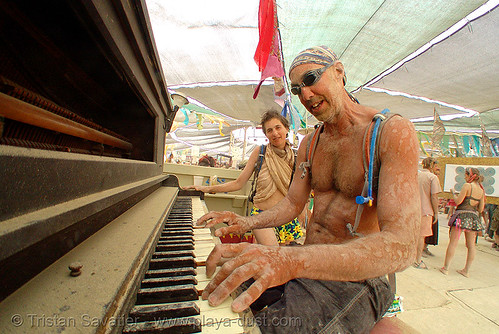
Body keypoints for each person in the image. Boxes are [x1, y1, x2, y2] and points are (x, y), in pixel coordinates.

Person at [196, 46, 420, 333]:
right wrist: (248, 222)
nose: (305, 94)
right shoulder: (310, 143)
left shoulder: (390, 132)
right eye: (297, 88)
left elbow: (403, 246)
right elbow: (292, 203)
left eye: (311, 78)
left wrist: (291, 260)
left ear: (339, 73)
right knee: (218, 282)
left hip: (355, 280)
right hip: (306, 262)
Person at [183, 110, 305, 246]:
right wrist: (205, 188)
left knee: (283, 261)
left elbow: (301, 191)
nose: (275, 133)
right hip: (260, 216)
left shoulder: (296, 156)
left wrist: (303, 215)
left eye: (278, 128)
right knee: (273, 253)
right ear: (266, 134)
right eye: (270, 130)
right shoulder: (261, 153)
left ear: (286, 129)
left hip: (286, 217)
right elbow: (238, 183)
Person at [440, 167, 485, 278]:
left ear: (470, 175)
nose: (464, 177)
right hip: (473, 219)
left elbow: (458, 201)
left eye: (465, 175)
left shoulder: (467, 186)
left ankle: (446, 268)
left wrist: (453, 194)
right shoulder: (481, 190)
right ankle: (466, 270)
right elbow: (480, 209)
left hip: (461, 217)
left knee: (453, 242)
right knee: (471, 246)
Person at [415, 158, 441, 268]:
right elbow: (434, 196)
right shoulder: (432, 177)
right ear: (431, 165)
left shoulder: (416, 175)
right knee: (421, 236)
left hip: (414, 208)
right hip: (426, 210)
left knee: (413, 234)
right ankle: (417, 260)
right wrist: (436, 212)